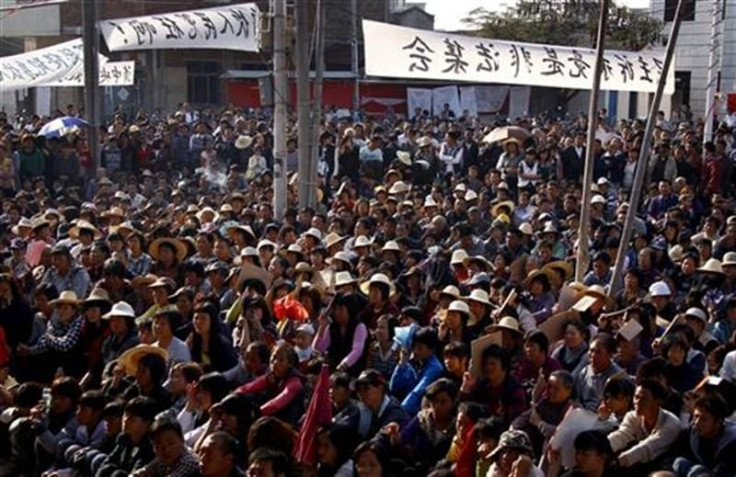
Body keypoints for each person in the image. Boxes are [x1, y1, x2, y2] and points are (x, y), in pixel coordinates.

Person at [608, 380, 682, 470]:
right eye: (636, 397)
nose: (638, 402)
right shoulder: (632, 416)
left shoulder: (671, 424)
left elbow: (648, 447)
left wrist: (620, 461)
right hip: (639, 459)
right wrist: (601, 448)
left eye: (644, 399)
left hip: (662, 463)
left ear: (658, 402)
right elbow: (622, 435)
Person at [390, 327, 444, 415]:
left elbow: (418, 392)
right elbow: (394, 387)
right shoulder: (412, 362)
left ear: (431, 350)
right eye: (414, 346)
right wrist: (402, 363)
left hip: (417, 413)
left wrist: (400, 412)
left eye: (420, 348)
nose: (415, 351)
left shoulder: (435, 368)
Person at [132, 418, 199, 477]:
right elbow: (143, 472)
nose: (166, 449)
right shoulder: (161, 460)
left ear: (182, 440)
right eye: (159, 445)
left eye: (171, 443)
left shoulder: (189, 461)